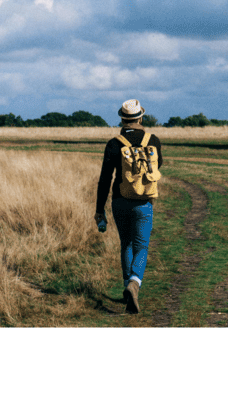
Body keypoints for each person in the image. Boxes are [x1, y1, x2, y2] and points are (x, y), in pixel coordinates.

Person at [95, 99, 163, 314]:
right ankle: (135, 283)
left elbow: (105, 179)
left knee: (126, 244)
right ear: (140, 117)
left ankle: (127, 287)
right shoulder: (153, 140)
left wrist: (99, 209)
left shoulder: (114, 143)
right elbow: (157, 167)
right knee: (141, 246)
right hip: (144, 201)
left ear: (122, 119)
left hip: (119, 200)